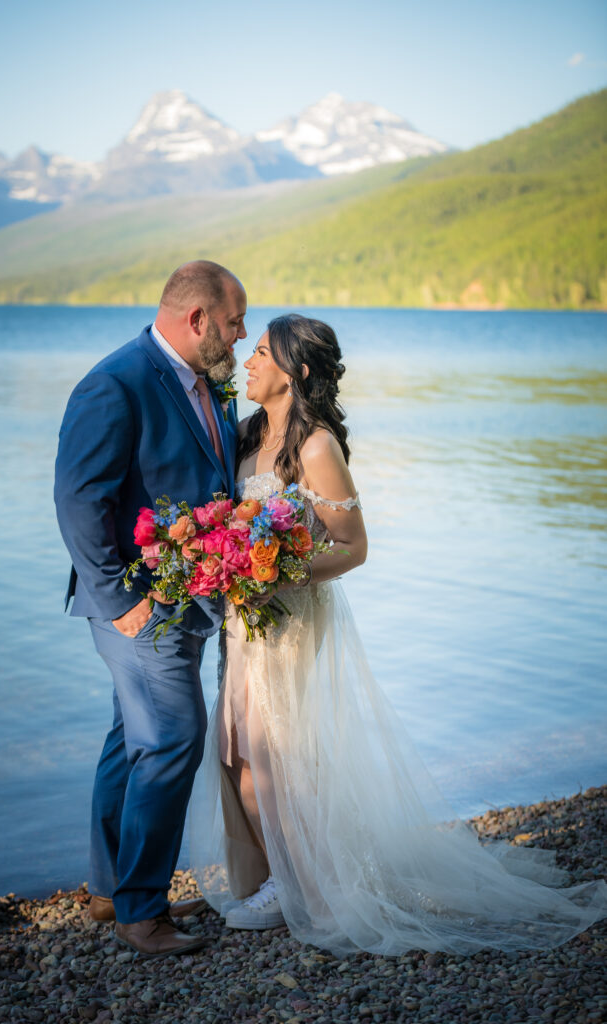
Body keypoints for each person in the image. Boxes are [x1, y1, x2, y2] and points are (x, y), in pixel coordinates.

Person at [188, 313, 607, 955]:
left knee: (280, 756)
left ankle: (315, 892)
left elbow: (354, 548)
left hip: (290, 619)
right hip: (247, 624)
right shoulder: (245, 435)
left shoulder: (317, 446)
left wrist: (279, 574)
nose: (247, 360)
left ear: (297, 372)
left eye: (263, 353)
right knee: (236, 750)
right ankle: (276, 877)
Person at [54, 260, 247, 959]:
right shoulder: (116, 382)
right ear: (197, 320)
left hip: (189, 602)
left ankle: (112, 892)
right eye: (233, 322)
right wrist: (122, 602)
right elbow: (79, 501)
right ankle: (144, 912)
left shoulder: (206, 382)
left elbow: (212, 474)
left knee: (130, 738)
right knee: (172, 739)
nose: (241, 334)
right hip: (141, 606)